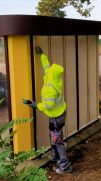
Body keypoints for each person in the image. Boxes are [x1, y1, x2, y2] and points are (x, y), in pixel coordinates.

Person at [22, 46, 72, 174]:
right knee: (52, 136)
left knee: (57, 140)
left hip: (56, 116)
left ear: (52, 74)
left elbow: (48, 106)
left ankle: (65, 166)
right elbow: (46, 65)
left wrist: (36, 105)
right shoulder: (53, 77)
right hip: (56, 115)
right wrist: (42, 55)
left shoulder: (52, 88)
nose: (47, 71)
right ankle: (55, 156)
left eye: (49, 71)